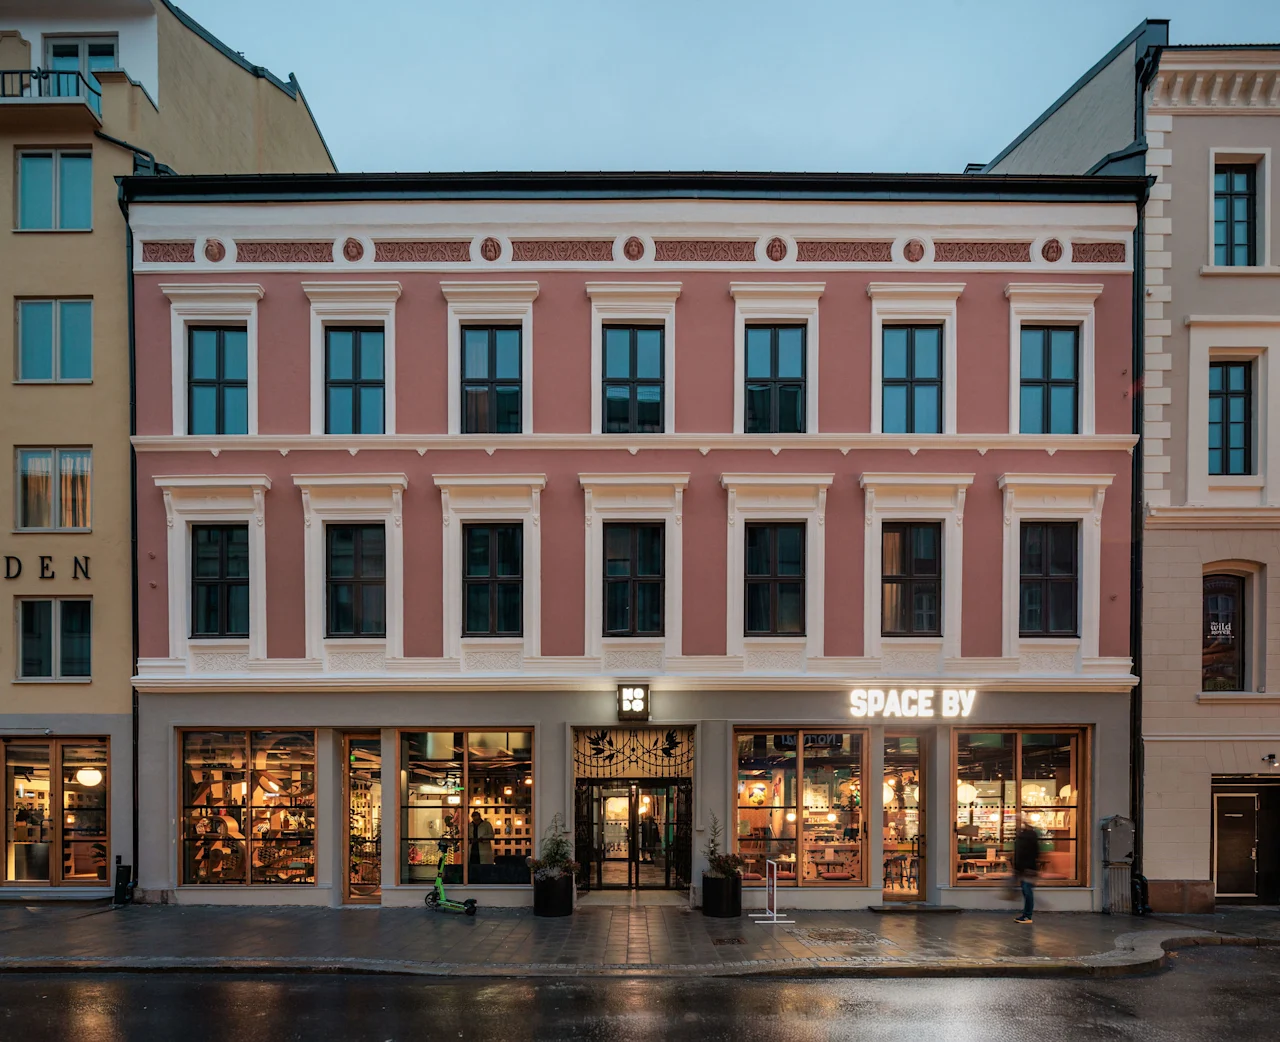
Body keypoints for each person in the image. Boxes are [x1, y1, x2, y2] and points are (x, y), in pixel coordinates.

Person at [1012, 818, 1040, 924]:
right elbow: (1036, 853)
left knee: (1027, 891)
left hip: (1026, 869)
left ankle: (1027, 915)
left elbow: (1021, 855)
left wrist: (1018, 868)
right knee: (1027, 891)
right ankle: (1027, 914)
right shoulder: (1030, 837)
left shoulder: (1024, 838)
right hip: (1028, 868)